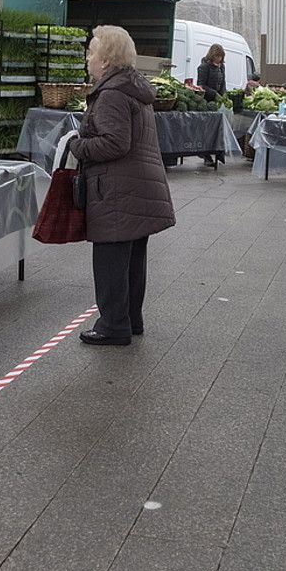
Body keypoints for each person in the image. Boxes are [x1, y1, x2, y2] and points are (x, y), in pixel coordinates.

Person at [70, 26, 176, 346]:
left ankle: (113, 325)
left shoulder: (112, 93)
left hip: (117, 190)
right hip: (138, 187)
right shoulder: (132, 89)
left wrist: (78, 146)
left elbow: (115, 144)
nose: (88, 57)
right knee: (131, 260)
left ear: (105, 60)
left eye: (92, 51)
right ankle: (130, 319)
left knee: (111, 260)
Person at [195, 44, 227, 165]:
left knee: (218, 129)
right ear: (212, 55)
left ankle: (219, 153)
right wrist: (214, 94)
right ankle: (206, 155)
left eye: (221, 56)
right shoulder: (204, 67)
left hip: (217, 102)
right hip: (207, 101)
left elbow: (223, 82)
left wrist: (223, 94)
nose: (219, 59)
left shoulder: (221, 67)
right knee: (207, 130)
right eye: (217, 56)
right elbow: (201, 85)